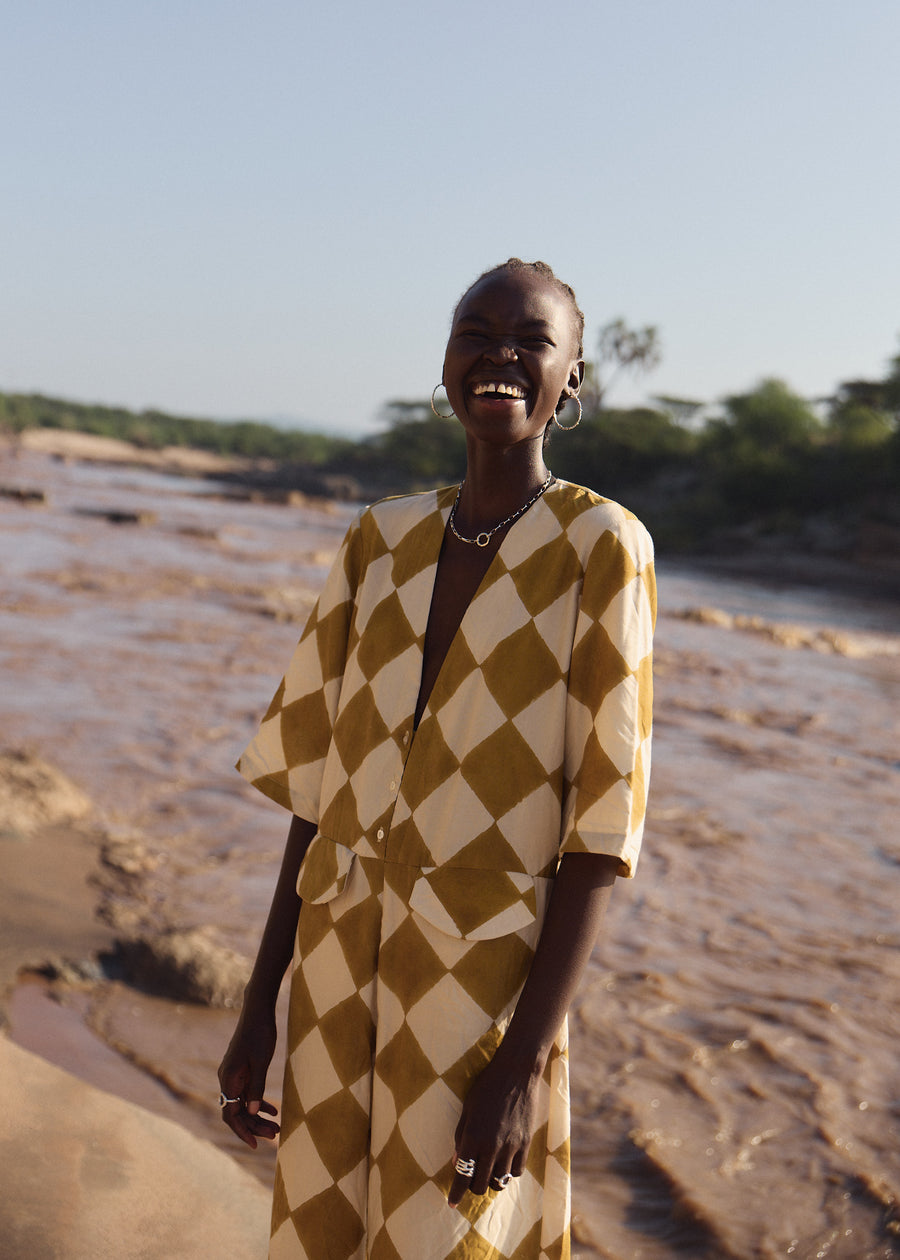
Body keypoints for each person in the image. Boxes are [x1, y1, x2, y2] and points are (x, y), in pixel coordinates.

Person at [218, 258, 656, 1260]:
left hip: (481, 989)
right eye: (477, 332)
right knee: (322, 1234)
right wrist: (259, 1006)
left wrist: (523, 1065)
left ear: (570, 381)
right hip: (334, 970)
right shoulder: (380, 539)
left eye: (532, 340)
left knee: (444, 1241)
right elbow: (316, 793)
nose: (499, 355)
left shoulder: (601, 547)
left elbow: (601, 830)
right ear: (446, 360)